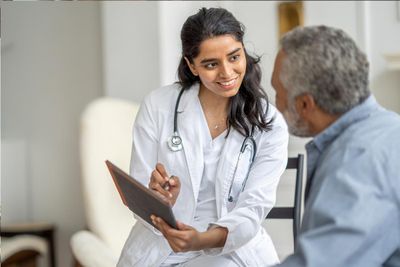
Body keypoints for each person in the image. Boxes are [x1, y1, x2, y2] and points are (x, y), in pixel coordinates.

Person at [117, 7, 289, 267]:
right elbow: (139, 194)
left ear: (243, 51)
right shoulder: (158, 106)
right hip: (161, 246)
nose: (227, 73)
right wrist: (159, 201)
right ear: (191, 65)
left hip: (229, 249)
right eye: (211, 64)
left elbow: (253, 209)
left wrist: (202, 239)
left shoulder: (270, 123)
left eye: (234, 57)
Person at [271, 25, 400, 266]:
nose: (275, 104)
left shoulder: (357, 161)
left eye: (277, 92)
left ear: (304, 105)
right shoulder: (390, 126)